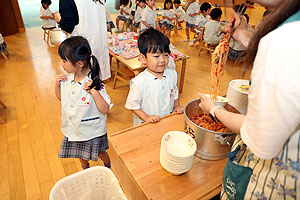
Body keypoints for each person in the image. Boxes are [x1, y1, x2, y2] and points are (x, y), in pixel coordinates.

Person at [198, 0, 300, 199]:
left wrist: (213, 110)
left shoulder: (288, 40)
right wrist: (244, 34)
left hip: (276, 179)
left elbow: (260, 135)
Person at [55, 36, 112, 170]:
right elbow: (62, 99)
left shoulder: (95, 83)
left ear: (80, 63)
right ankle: (84, 168)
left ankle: (108, 166)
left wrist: (94, 92)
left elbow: (105, 109)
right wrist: (57, 86)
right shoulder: (67, 79)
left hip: (92, 129)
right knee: (79, 153)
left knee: (100, 152)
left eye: (64, 61)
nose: (62, 64)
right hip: (75, 127)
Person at [125, 29, 184, 126]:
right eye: (156, 56)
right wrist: (146, 117)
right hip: (147, 125)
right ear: (143, 59)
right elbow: (133, 105)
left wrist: (177, 107)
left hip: (167, 121)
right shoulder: (139, 82)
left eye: (166, 55)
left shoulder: (172, 74)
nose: (162, 60)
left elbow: (174, 94)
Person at [72, 0, 111, 81]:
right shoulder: (100, 2)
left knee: (85, 77)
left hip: (83, 41)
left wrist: (58, 19)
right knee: (97, 75)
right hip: (97, 38)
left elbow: (68, 25)